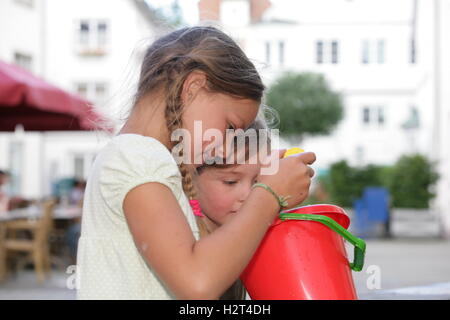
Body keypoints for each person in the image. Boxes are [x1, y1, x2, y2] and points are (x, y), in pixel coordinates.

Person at [76, 26, 316, 300]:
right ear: (193, 87)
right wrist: (268, 193)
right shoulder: (136, 158)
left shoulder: (144, 159)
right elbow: (197, 284)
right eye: (230, 127)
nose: (224, 145)